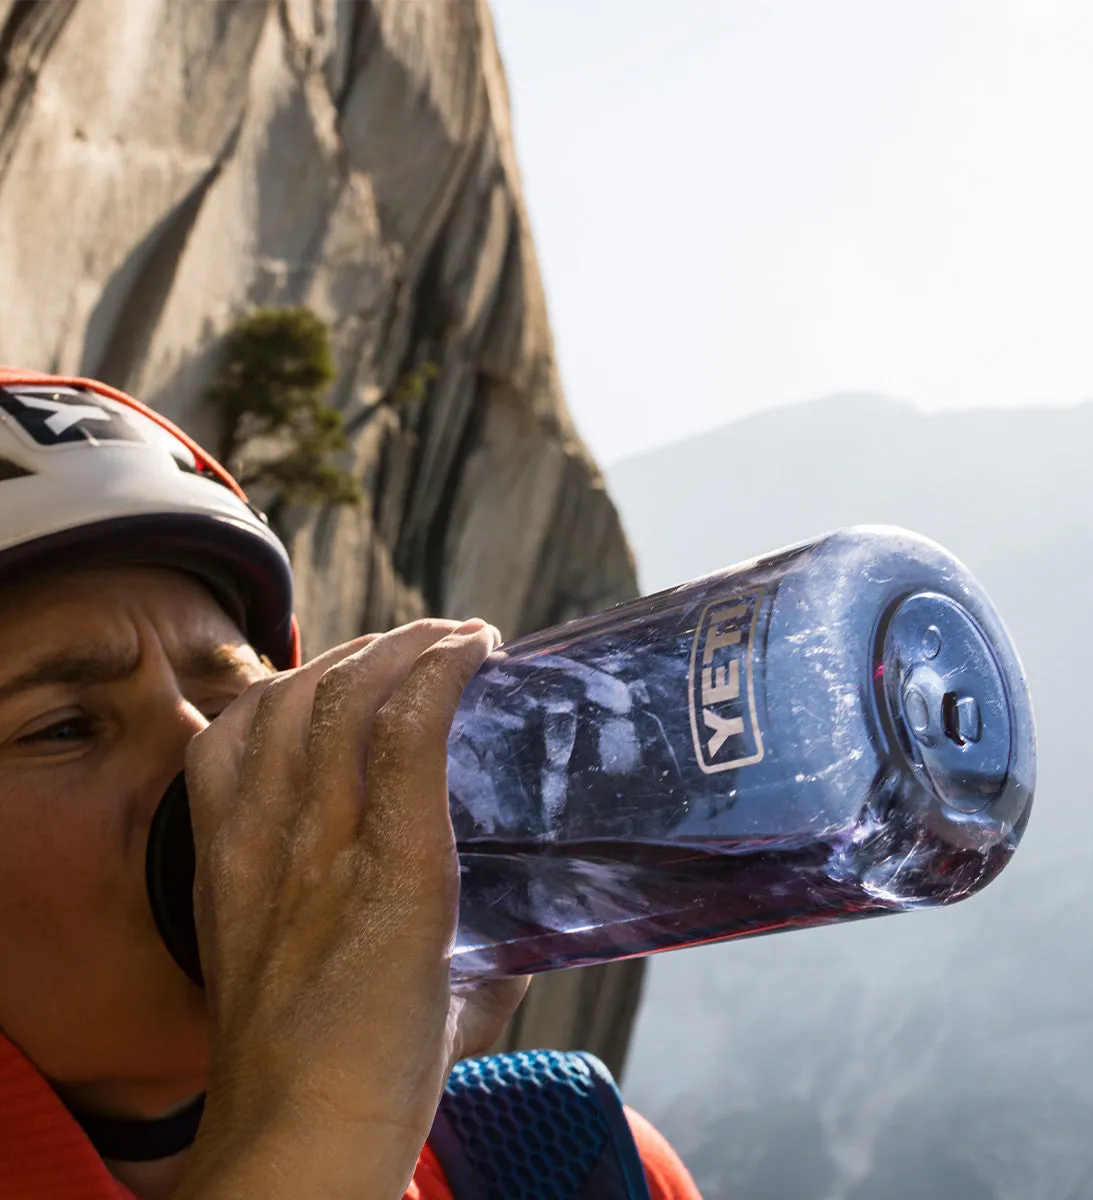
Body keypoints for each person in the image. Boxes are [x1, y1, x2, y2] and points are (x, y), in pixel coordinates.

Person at [0, 368, 701, 1199]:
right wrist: (319, 1134)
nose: (201, 747)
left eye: (230, 697)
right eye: (63, 728)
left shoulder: (569, 1159)